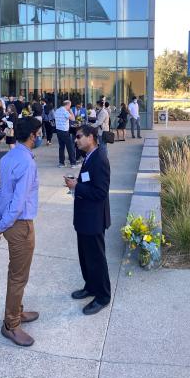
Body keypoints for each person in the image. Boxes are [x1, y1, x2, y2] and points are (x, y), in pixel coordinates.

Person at [0, 116, 41, 347]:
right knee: (19, 276)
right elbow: (18, 201)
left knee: (16, 273)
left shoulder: (8, 157)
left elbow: (2, 192)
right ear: (32, 135)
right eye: (38, 133)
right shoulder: (27, 162)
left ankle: (17, 310)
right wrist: (2, 224)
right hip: (20, 225)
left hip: (10, 222)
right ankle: (11, 324)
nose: (39, 136)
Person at [65, 125, 112, 316]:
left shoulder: (100, 159)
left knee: (96, 259)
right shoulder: (89, 156)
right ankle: (91, 286)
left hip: (93, 219)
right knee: (85, 257)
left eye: (79, 136)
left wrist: (77, 186)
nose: (76, 140)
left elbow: (101, 192)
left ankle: (103, 296)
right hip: (84, 217)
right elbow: (88, 182)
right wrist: (76, 185)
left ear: (91, 137)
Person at [54, 100, 77, 168]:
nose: (70, 107)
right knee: (70, 147)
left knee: (61, 147)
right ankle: (73, 163)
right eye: (70, 106)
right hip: (64, 131)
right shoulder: (65, 111)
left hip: (58, 130)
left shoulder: (57, 110)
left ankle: (61, 163)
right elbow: (73, 119)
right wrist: (71, 111)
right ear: (67, 105)